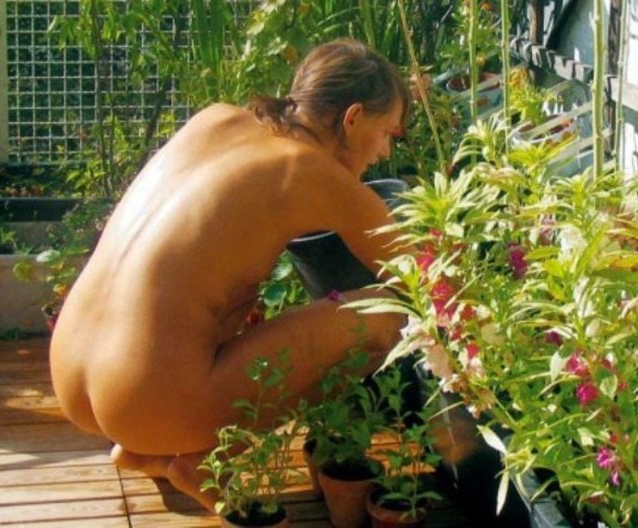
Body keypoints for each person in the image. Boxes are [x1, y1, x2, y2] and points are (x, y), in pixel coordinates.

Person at [49, 38, 410, 511]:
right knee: (387, 316)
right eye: (387, 132)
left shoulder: (215, 119)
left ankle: (145, 447)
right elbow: (426, 273)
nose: (385, 151)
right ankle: (199, 459)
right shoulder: (313, 171)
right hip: (142, 399)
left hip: (68, 374)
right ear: (353, 117)